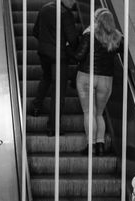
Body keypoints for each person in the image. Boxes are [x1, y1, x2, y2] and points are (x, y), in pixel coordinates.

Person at [73, 8, 123, 156]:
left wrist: (69, 49)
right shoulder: (117, 38)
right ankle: (100, 145)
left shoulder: (90, 34)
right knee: (99, 113)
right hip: (106, 79)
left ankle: (91, 146)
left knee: (89, 112)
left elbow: (79, 56)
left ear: (96, 20)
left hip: (86, 76)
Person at [32, 0, 79, 136]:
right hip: (60, 57)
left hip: (44, 54)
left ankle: (36, 107)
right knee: (59, 91)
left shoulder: (45, 8)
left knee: (46, 77)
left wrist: (46, 43)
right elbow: (73, 38)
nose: (74, 3)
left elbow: (35, 31)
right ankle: (52, 127)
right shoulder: (66, 14)